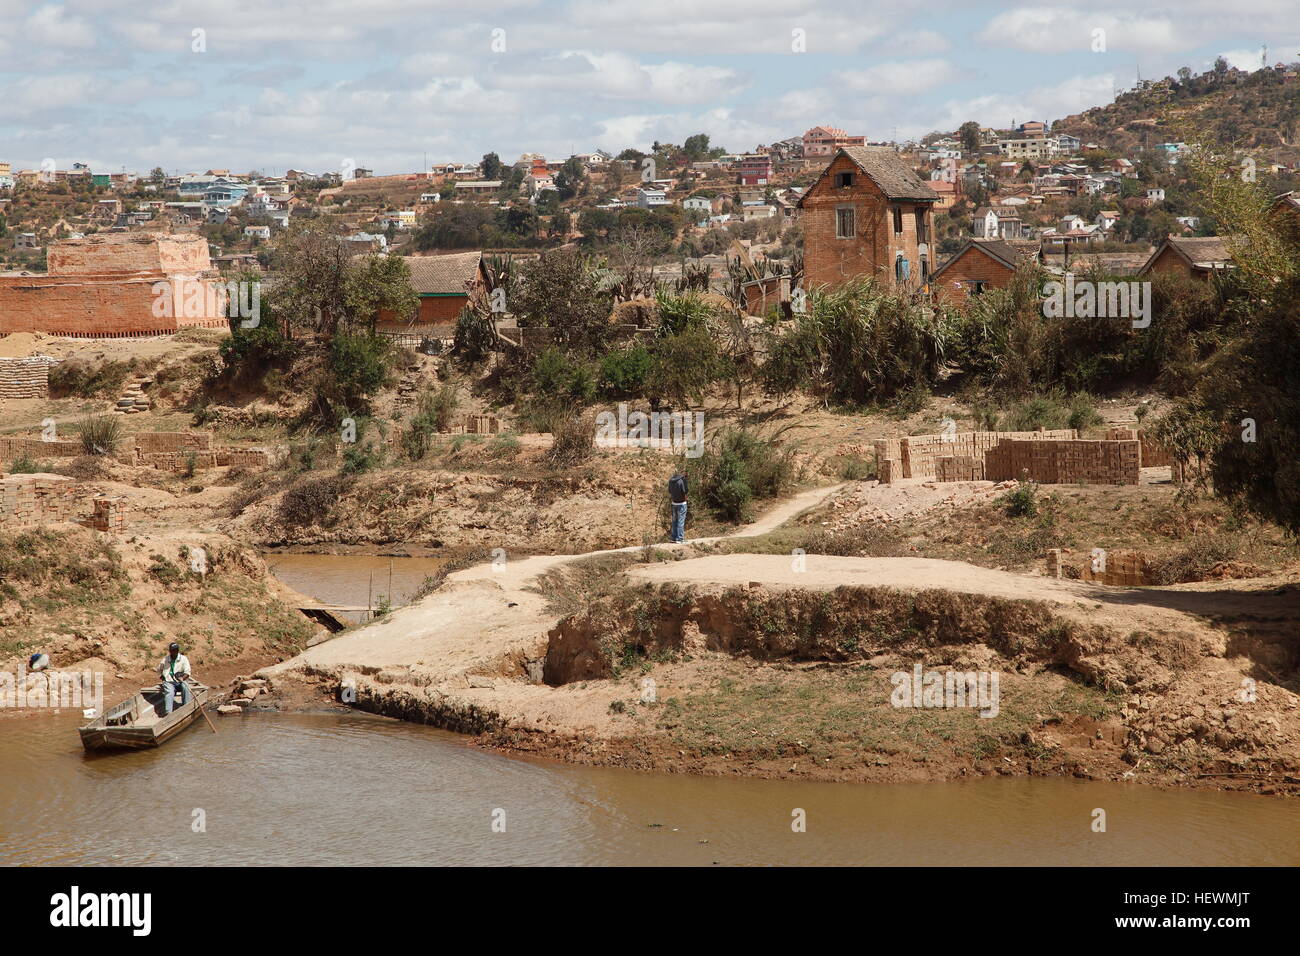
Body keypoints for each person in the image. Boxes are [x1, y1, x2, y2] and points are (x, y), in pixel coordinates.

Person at [158, 642, 192, 715]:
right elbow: (159, 669)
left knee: (185, 687)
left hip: (180, 681)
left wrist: (182, 678)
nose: (175, 652)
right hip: (169, 681)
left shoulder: (183, 659)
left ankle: (186, 707)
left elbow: (187, 672)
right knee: (169, 692)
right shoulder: (165, 660)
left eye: (176, 650)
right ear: (170, 651)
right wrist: (162, 677)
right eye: (173, 650)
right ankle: (168, 713)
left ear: (178, 650)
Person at [667, 469, 689, 544]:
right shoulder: (682, 480)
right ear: (683, 473)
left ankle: (673, 537)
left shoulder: (671, 480)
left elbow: (669, 491)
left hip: (674, 503)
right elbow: (685, 491)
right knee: (681, 521)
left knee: (674, 521)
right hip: (681, 503)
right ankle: (680, 538)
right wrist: (686, 500)